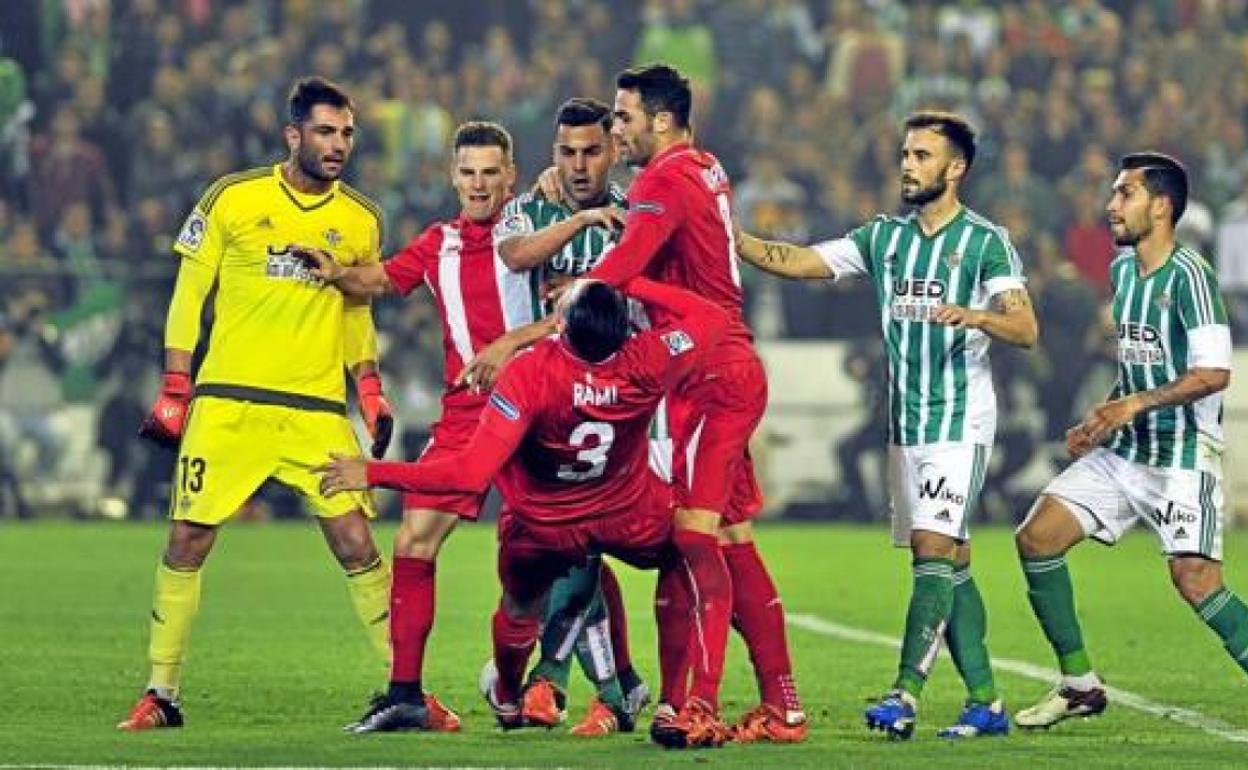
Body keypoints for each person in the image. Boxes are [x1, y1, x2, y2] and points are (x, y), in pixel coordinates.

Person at [734, 111, 1038, 740]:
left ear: (955, 169)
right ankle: (986, 701)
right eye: (905, 153)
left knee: (933, 548)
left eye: (923, 156)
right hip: (907, 426)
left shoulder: (986, 242)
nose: (907, 164)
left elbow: (1025, 327)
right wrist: (728, 234)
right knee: (947, 563)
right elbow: (797, 260)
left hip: (961, 421)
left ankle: (905, 692)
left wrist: (978, 318)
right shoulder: (883, 239)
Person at [317, 276, 726, 743]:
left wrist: (373, 472)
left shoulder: (532, 370)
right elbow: (712, 318)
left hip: (543, 526)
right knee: (684, 552)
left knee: (517, 610)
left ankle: (509, 697)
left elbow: (469, 474)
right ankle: (674, 702)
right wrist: (631, 279)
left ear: (565, 327)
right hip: (625, 515)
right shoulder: (649, 357)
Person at [117, 77, 395, 731]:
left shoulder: (361, 219)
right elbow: (191, 294)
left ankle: (401, 688)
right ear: (293, 135)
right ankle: (161, 693)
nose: (338, 145)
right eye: (326, 132)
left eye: (347, 133)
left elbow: (356, 310)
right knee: (187, 538)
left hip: (316, 408)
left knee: (357, 541)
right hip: (228, 401)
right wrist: (176, 385)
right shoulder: (232, 199)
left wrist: (372, 392)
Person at [571, 63, 805, 747]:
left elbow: (616, 274)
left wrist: (562, 310)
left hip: (705, 371)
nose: (616, 129)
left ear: (662, 120)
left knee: (694, 537)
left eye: (623, 117)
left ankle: (696, 705)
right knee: (729, 538)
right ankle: (782, 708)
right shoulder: (705, 168)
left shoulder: (664, 179)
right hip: (725, 365)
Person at [294, 121, 532, 733]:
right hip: (467, 414)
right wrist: (335, 269)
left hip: (540, 405)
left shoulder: (532, 233)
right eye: (468, 172)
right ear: (454, 177)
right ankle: (405, 694)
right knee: (412, 542)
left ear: (511, 176)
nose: (479, 184)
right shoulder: (438, 243)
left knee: (565, 552)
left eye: (490, 172)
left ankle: (609, 687)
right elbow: (379, 279)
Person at [1013, 152, 1246, 729]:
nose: (1111, 205)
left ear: (1161, 206)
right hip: (1126, 451)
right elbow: (1140, 368)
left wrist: (1133, 404)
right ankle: (1079, 686)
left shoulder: (1191, 276)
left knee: (1195, 580)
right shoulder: (1122, 272)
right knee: (1037, 538)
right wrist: (1103, 417)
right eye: (1114, 194)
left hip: (1182, 456)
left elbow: (1214, 374)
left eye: (1125, 194)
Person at [473, 96, 647, 735]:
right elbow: (518, 255)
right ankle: (620, 683)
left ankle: (547, 680)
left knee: (575, 542)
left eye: (591, 151)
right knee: (561, 550)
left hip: (609, 403)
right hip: (538, 401)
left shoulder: (638, 213)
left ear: (614, 149)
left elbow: (617, 311)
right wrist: (582, 222)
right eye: (567, 153)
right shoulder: (529, 208)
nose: (578, 165)